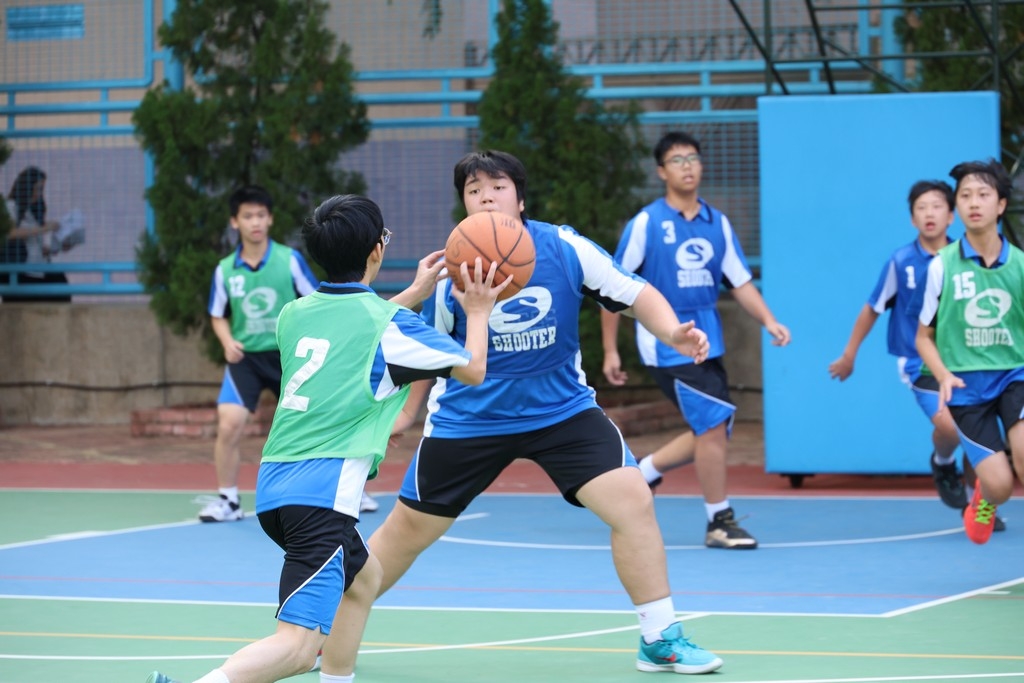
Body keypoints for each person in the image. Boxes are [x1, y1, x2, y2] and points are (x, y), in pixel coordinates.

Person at [333, 149, 723, 676]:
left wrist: (674, 332)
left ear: (520, 198)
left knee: (632, 501)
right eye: (474, 191)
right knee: (404, 535)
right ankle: (323, 631)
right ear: (464, 205)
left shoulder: (562, 247)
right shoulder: (450, 271)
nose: (486, 197)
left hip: (561, 411)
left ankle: (659, 637)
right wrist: (405, 414)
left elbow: (635, 293)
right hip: (469, 420)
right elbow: (430, 352)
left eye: (497, 186)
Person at [146, 193, 509, 683]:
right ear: (377, 250)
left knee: (364, 580)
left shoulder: (293, 315)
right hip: (321, 499)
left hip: (276, 489)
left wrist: (412, 293)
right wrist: (479, 310)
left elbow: (354, 330)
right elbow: (474, 369)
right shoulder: (392, 328)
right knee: (297, 648)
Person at [601, 131, 790, 550]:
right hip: (666, 344)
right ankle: (718, 520)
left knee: (715, 429)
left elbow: (740, 282)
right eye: (677, 160)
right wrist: (611, 350)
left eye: (692, 158)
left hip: (709, 341)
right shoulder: (647, 223)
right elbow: (611, 287)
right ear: (661, 171)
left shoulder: (717, 223)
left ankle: (644, 472)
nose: (686, 166)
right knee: (714, 424)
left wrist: (769, 321)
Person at [200, 185, 378, 522]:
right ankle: (229, 500)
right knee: (229, 424)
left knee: (324, 420)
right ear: (235, 222)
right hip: (247, 360)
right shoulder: (225, 270)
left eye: (261, 215)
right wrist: (226, 341)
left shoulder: (289, 260)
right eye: (247, 216)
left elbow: (318, 300)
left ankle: (350, 488)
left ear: (270, 219)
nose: (255, 222)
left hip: (291, 355)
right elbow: (217, 314)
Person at [828, 180, 991, 520]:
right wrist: (849, 354)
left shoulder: (968, 259)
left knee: (978, 433)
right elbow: (872, 308)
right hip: (920, 362)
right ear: (912, 219)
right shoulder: (901, 262)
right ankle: (943, 461)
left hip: (966, 360)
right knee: (951, 426)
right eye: (921, 207)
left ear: (951, 216)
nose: (929, 213)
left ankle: (978, 505)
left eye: (937, 206)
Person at [915, 158, 1024, 545]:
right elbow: (923, 337)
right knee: (1001, 486)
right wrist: (943, 374)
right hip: (966, 386)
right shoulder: (942, 266)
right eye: (965, 196)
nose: (974, 202)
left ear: (1001, 204)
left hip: (1015, 375)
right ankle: (986, 497)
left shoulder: (1020, 266)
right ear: (957, 208)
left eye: (983, 194)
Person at [1, 166, 71, 303]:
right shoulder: (10, 206)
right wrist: (43, 228)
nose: (39, 194)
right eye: (37, 188)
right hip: (22, 270)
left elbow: (33, 245)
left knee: (61, 287)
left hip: (38, 267)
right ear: (27, 187)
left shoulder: (31, 211)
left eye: (41, 189)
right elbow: (9, 232)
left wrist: (54, 248)